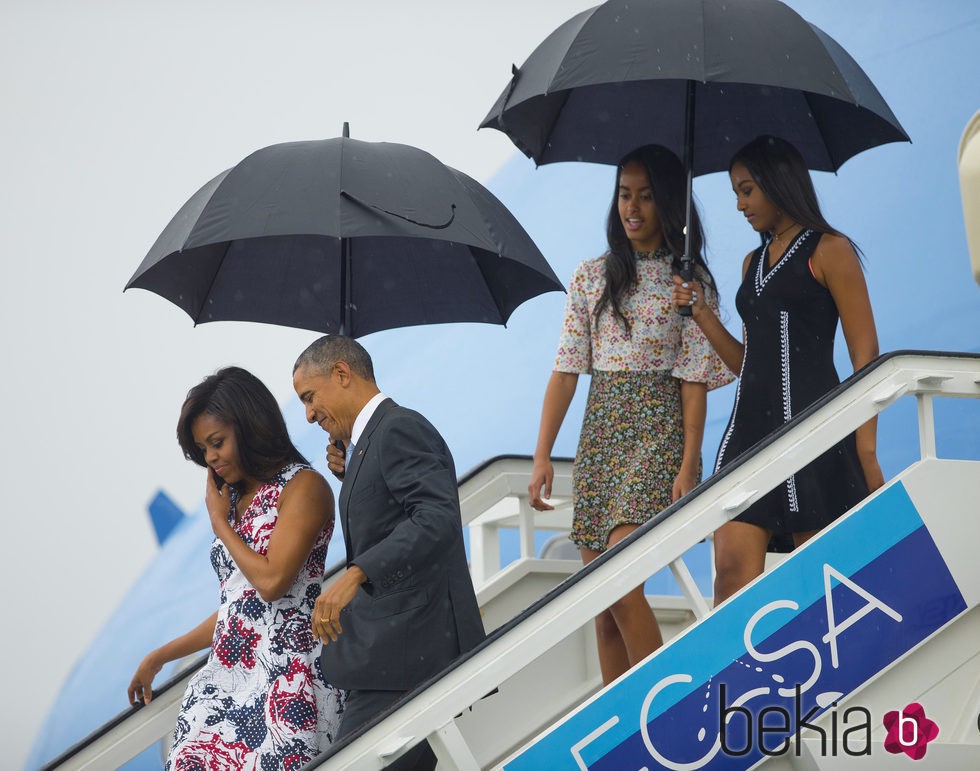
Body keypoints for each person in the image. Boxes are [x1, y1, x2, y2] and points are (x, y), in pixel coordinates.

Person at [528, 145, 733, 685]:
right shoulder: (591, 276)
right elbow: (567, 371)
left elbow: (694, 382)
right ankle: (626, 735)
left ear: (669, 203)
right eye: (625, 194)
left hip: (657, 432)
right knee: (602, 609)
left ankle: (669, 706)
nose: (633, 207)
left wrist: (690, 464)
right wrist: (543, 454)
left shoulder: (691, 283)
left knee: (620, 579)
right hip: (600, 436)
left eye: (646, 195)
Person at [672, 134, 885, 606]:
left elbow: (865, 353)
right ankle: (735, 679)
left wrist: (864, 446)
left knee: (821, 580)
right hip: (748, 433)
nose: (740, 205)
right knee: (729, 574)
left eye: (747, 190)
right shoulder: (752, 263)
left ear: (777, 183)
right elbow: (749, 364)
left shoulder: (830, 249)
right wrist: (704, 313)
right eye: (735, 193)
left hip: (814, 426)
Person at [128, 367, 345, 769]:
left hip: (287, 676)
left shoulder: (304, 487)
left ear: (249, 427)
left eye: (217, 442)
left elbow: (272, 583)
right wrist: (162, 655)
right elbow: (239, 607)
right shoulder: (233, 502)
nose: (210, 458)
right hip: (227, 679)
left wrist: (219, 526)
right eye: (202, 449)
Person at [292, 335, 485, 771]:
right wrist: (352, 472)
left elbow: (436, 518)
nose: (308, 415)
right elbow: (393, 519)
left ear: (342, 374)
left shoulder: (398, 427)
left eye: (309, 397)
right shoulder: (369, 443)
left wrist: (356, 574)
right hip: (394, 653)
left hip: (408, 652)